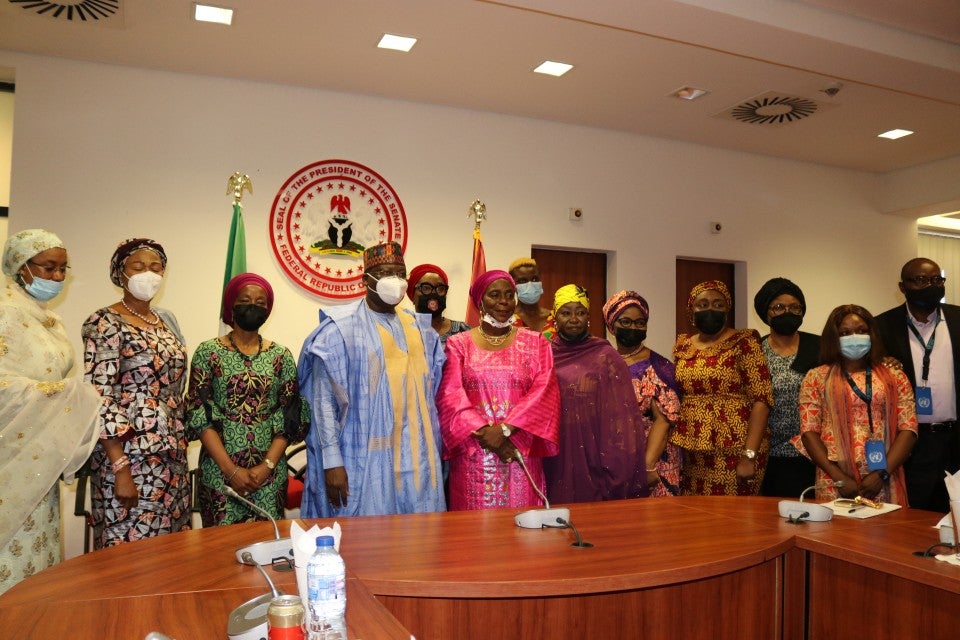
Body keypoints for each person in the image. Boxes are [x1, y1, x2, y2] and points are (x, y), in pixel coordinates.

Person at [298, 241, 446, 517]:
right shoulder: (340, 330)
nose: (397, 282)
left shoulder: (422, 331)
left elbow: (435, 394)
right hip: (363, 460)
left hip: (418, 459)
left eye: (401, 274)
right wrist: (332, 461)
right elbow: (322, 402)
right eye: (388, 273)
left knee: (418, 544)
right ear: (366, 280)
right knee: (367, 545)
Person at [0, 230, 100, 595]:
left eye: (63, 269)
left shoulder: (46, 320)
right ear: (19, 266)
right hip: (8, 461)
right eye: (48, 267)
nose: (57, 278)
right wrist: (64, 393)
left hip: (40, 459)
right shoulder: (4, 313)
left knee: (38, 564)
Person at [82, 238, 190, 548]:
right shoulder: (104, 322)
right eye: (138, 266)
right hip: (129, 460)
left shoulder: (166, 321)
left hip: (171, 458)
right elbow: (98, 395)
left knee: (170, 551)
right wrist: (119, 466)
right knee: (131, 553)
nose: (148, 273)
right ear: (120, 273)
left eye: (155, 267)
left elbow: (174, 386)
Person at [185, 273, 310, 527]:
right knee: (221, 554)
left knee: (267, 548)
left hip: (269, 476)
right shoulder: (208, 353)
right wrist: (231, 470)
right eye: (245, 300)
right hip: (219, 474)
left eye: (260, 303)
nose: (253, 306)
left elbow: (289, 414)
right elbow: (199, 415)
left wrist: (266, 467)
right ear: (232, 305)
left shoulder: (280, 356)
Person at [437, 270, 559, 509]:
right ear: (480, 301)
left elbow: (544, 392)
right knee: (473, 535)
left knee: (523, 532)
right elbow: (450, 396)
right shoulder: (458, 344)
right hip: (474, 454)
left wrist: (505, 431)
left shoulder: (536, 343)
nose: (504, 301)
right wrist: (488, 436)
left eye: (509, 295)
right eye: (495, 295)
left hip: (520, 449)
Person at [797, 305, 918, 505]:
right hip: (835, 479)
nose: (854, 337)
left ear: (872, 333)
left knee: (887, 533)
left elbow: (909, 428)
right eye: (845, 333)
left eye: (861, 330)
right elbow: (809, 432)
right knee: (836, 535)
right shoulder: (816, 377)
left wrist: (882, 474)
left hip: (885, 475)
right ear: (833, 338)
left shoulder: (895, 376)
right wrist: (839, 477)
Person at [544, 285, 648, 503]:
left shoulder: (605, 356)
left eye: (580, 312)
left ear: (588, 317)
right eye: (566, 312)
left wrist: (616, 465)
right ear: (555, 317)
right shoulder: (544, 355)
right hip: (555, 455)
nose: (574, 318)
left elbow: (622, 418)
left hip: (595, 456)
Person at [671, 280, 772, 495]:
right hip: (693, 449)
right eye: (703, 304)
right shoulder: (684, 345)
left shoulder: (744, 343)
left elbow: (762, 401)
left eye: (718, 305)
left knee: (732, 518)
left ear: (727, 309)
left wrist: (749, 455)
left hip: (736, 450)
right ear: (691, 309)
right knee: (696, 517)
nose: (710, 310)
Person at [876, 258, 960, 513]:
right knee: (913, 516)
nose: (930, 285)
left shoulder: (958, 318)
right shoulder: (882, 326)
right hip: (911, 443)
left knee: (955, 514)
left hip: (956, 439)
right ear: (903, 287)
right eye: (921, 280)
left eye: (936, 280)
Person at [603, 290, 682, 497]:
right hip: (616, 462)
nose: (633, 328)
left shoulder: (659, 367)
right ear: (612, 325)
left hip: (654, 463)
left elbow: (663, 421)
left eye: (640, 323)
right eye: (626, 322)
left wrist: (647, 466)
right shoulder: (604, 362)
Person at [753, 278, 819, 498]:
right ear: (766, 312)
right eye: (779, 307)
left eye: (794, 307)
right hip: (770, 455)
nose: (787, 312)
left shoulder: (820, 346)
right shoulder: (755, 352)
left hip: (815, 454)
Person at [407, 263, 470, 345]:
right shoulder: (403, 331)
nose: (433, 293)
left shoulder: (462, 331)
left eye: (440, 288)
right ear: (413, 295)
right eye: (426, 288)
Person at [508, 257, 555, 338]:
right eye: (522, 281)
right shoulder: (507, 319)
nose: (530, 284)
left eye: (534, 279)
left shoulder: (554, 318)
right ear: (512, 285)